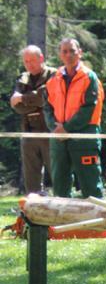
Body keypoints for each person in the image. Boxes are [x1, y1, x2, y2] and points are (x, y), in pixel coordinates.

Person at [44, 38, 104, 199]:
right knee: (60, 187)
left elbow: (90, 108)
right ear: (60, 55)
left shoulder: (89, 77)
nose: (69, 54)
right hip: (59, 138)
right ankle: (61, 222)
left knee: (91, 186)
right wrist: (55, 127)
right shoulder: (53, 79)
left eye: (72, 51)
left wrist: (66, 128)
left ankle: (96, 224)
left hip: (84, 137)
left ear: (80, 53)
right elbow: (47, 106)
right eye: (65, 51)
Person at [10, 45, 56, 194]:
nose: (29, 64)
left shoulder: (54, 75)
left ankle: (64, 206)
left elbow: (44, 99)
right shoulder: (22, 78)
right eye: (26, 61)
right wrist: (35, 101)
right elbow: (16, 107)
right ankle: (34, 211)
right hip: (28, 132)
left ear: (41, 58)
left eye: (32, 60)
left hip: (50, 131)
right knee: (31, 180)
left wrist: (23, 98)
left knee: (57, 174)